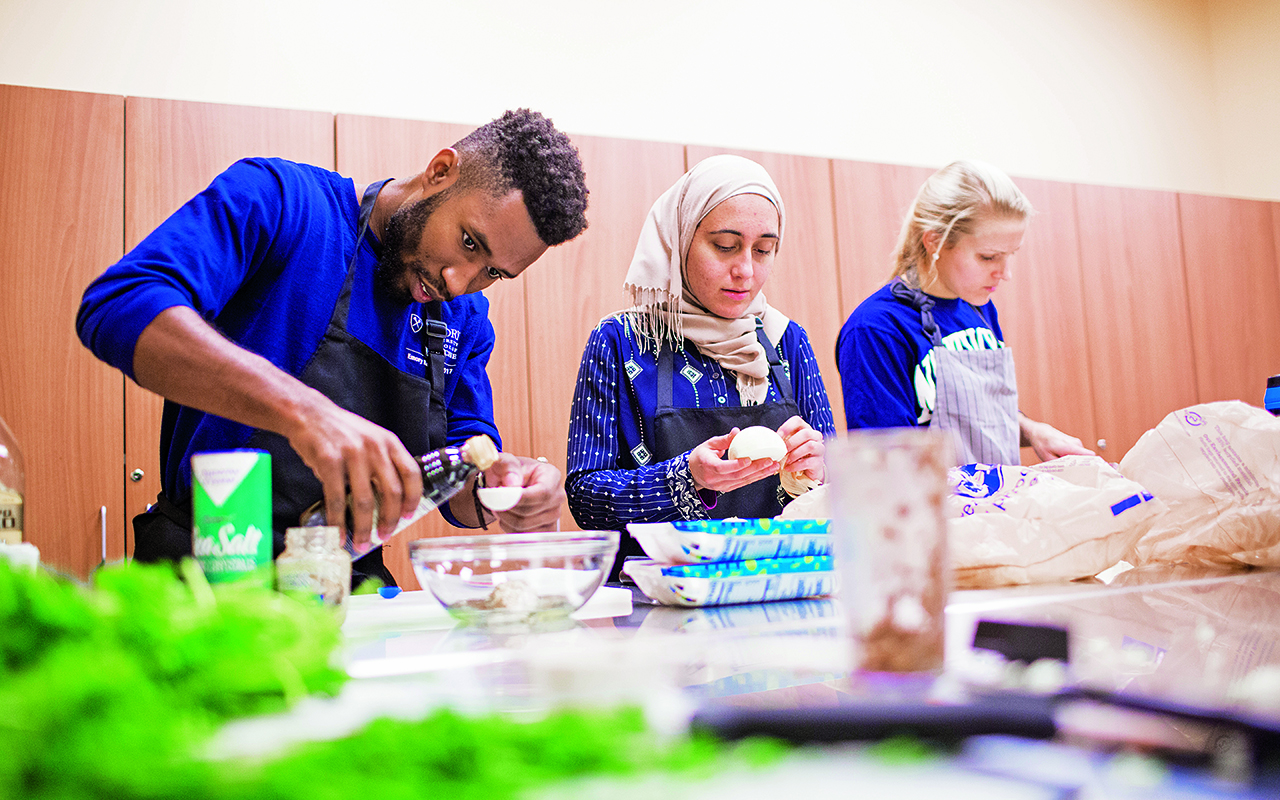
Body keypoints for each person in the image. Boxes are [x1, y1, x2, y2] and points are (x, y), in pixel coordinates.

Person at [76, 109, 589, 585]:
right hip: (206, 577)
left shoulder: (464, 317)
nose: (459, 281)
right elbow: (120, 305)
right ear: (440, 171)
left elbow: (462, 459)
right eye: (470, 242)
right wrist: (303, 412)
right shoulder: (284, 203)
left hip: (345, 588)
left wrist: (502, 489)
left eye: (494, 272)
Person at [565, 155, 835, 576]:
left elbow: (838, 488)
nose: (745, 270)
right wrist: (685, 479)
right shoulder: (622, 343)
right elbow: (585, 498)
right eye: (725, 246)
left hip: (776, 589)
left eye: (763, 250)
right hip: (660, 604)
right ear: (681, 240)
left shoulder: (786, 342)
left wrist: (819, 467)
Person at [835, 159, 1091, 466]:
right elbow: (886, 470)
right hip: (939, 513)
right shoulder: (876, 330)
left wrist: (1033, 430)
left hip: (997, 509)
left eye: (1010, 256)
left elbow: (981, 418)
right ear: (934, 242)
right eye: (988, 257)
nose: (1005, 274)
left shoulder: (981, 311)